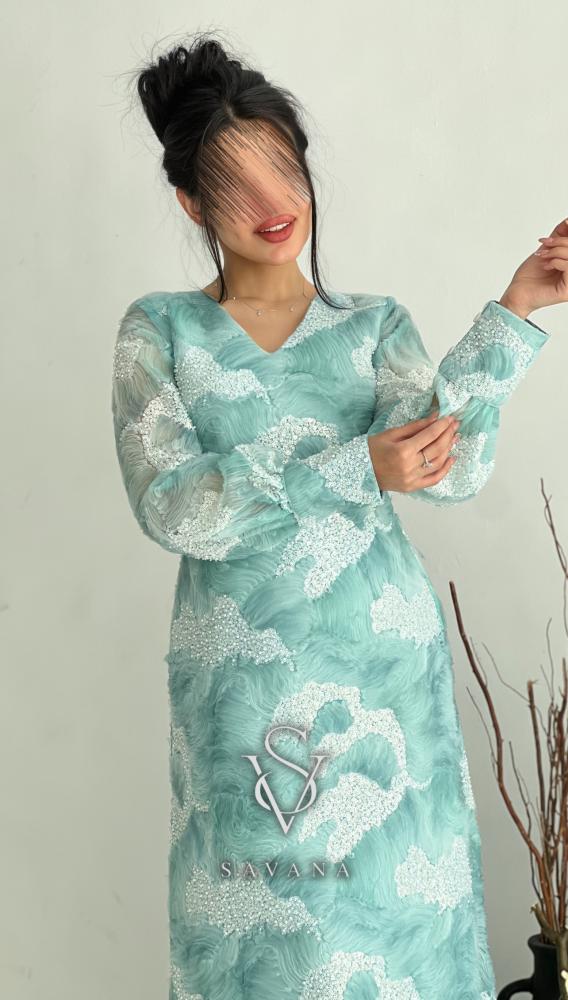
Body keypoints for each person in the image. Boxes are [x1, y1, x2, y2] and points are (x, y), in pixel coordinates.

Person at [111, 32, 565, 1000]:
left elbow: (448, 472)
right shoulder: (162, 330)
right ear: (190, 202)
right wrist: (353, 465)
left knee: (397, 928)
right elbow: (173, 507)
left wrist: (517, 308)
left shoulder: (372, 326)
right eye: (234, 183)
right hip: (242, 684)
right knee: (258, 935)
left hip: (381, 671)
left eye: (284, 169)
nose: (272, 202)